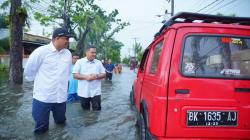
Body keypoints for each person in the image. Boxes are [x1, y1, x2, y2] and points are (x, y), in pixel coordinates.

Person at [24, 28, 73, 134]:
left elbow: (67, 73)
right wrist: (43, 85)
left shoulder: (68, 54)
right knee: (41, 128)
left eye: (68, 39)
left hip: (60, 98)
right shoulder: (40, 52)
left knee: (61, 122)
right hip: (43, 98)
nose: (67, 41)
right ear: (56, 38)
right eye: (65, 38)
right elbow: (29, 73)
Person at [73, 45, 106, 111]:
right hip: (84, 92)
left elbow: (104, 74)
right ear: (87, 52)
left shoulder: (98, 62)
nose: (94, 54)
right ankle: (87, 121)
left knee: (97, 111)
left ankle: (95, 121)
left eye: (95, 52)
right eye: (92, 52)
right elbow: (75, 75)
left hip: (96, 92)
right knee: (85, 111)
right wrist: (86, 77)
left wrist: (96, 76)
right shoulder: (79, 62)